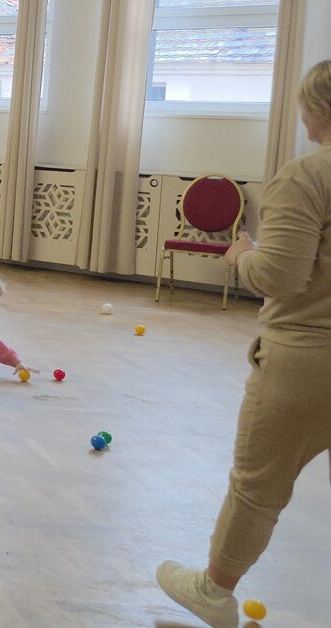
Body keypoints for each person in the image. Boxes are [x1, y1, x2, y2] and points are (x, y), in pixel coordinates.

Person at [157, 59, 331, 628]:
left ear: (318, 109)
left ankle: (214, 591)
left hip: (306, 359)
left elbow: (279, 276)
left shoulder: (308, 175)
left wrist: (241, 254)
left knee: (258, 487)